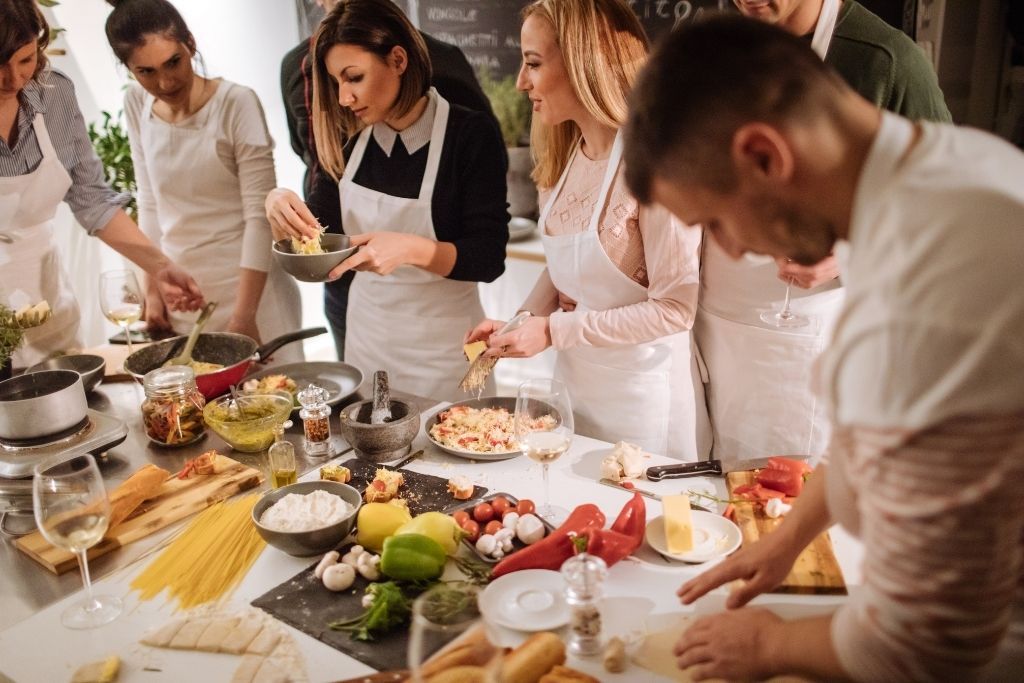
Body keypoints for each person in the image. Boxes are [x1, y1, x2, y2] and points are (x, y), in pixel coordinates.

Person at [623, 15, 1023, 681]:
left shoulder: (932, 284)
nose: (729, 250)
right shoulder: (951, 171)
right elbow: (870, 439)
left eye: (715, 221)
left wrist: (768, 645)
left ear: (764, 156)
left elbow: (925, 643)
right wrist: (786, 538)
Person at [695, 0, 951, 462]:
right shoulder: (716, 47)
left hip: (811, 341)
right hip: (714, 332)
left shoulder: (884, 61)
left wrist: (850, 253)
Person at [465, 0, 710, 459]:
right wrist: (519, 325)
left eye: (533, 63)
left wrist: (554, 332)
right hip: (576, 391)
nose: (521, 82)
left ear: (584, 62)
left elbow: (677, 309)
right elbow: (564, 270)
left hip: (645, 402)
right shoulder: (563, 158)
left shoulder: (656, 163)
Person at [266, 0, 508, 401]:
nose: (344, 98)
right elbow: (323, 235)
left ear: (398, 59)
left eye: (354, 77)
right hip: (370, 342)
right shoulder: (349, 138)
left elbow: (488, 257)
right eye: (336, 82)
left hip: (450, 348)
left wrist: (411, 249)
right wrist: (279, 205)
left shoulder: (469, 134)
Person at [0, 0, 204, 368]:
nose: (13, 80)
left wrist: (160, 267)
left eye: (25, 60)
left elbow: (91, 198)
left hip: (45, 302)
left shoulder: (53, 94)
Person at [105, 0, 302, 356]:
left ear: (190, 44)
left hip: (253, 293)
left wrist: (245, 316)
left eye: (173, 62)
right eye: (145, 72)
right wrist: (153, 290)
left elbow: (258, 216)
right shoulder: (137, 104)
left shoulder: (236, 103)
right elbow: (149, 202)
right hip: (185, 295)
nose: (164, 81)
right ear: (129, 71)